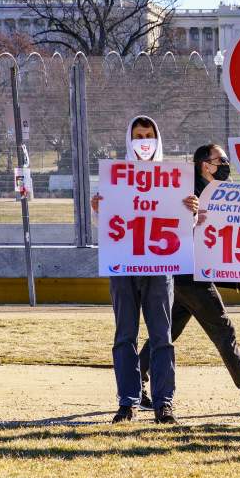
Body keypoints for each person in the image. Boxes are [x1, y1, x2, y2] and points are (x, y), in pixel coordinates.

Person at [135, 144, 240, 413]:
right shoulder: (189, 194)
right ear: (205, 165)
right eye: (221, 160)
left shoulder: (217, 192)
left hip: (186, 274)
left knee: (166, 332)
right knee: (223, 330)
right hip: (191, 274)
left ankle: (134, 381)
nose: (225, 165)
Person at [90, 115, 180, 424]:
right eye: (138, 136)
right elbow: (106, 225)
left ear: (157, 139)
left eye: (149, 135)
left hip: (160, 266)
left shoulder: (172, 179)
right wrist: (98, 210)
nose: (144, 141)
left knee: (162, 336)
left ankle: (163, 403)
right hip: (123, 265)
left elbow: (183, 226)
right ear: (129, 140)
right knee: (125, 335)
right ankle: (127, 402)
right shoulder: (116, 178)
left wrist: (191, 212)